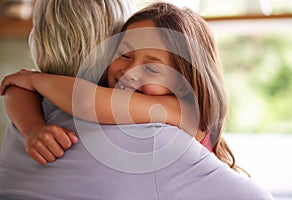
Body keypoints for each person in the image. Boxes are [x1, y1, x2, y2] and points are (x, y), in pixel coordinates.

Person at [1, 2, 274, 200]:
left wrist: (35, 82)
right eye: (124, 55)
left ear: (184, 84)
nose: (130, 73)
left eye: (153, 69)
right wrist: (32, 125)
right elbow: (19, 90)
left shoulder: (172, 113)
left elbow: (85, 101)